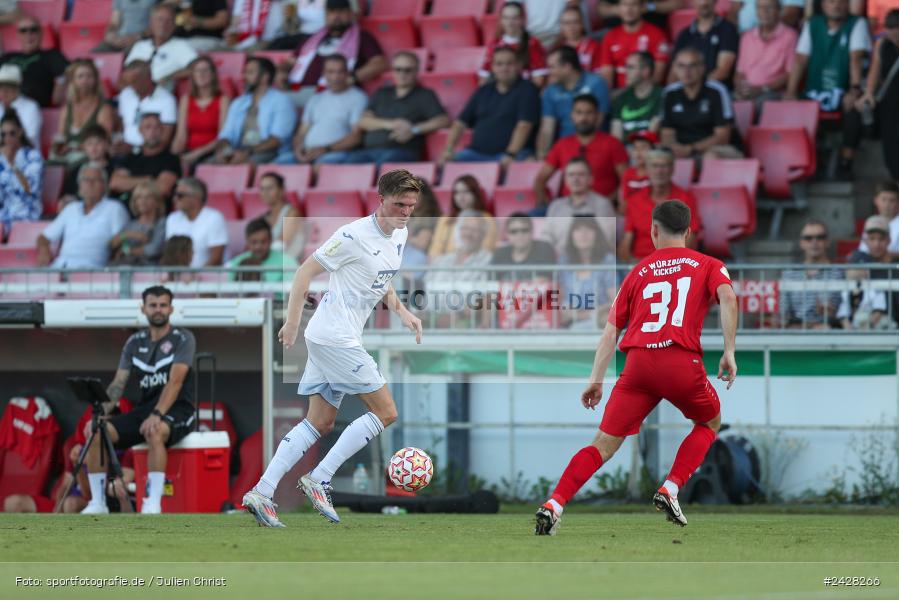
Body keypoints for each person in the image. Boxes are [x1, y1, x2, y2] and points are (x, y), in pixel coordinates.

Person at [535, 200, 738, 535]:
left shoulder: (637, 272)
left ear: (654, 230)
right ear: (688, 231)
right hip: (680, 361)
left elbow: (610, 332)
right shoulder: (708, 264)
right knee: (709, 422)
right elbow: (728, 298)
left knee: (603, 443)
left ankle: (554, 504)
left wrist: (596, 379)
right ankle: (671, 487)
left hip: (638, 365)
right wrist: (729, 350)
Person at [241, 170, 423, 527]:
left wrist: (403, 312)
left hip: (335, 337)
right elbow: (303, 273)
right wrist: (292, 323)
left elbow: (382, 280)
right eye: (399, 204)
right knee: (387, 412)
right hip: (334, 337)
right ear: (381, 200)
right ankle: (320, 478)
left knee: (320, 422)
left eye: (411, 206)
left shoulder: (399, 233)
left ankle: (262, 491)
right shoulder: (352, 235)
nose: (406, 212)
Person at [79, 286, 197, 515]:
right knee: (96, 432)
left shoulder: (183, 338)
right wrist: (99, 415)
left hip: (178, 409)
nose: (158, 309)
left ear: (171, 309)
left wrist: (157, 414)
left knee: (154, 431)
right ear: (143, 309)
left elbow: (175, 382)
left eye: (163, 305)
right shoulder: (134, 342)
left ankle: (152, 503)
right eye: (153, 305)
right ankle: (98, 503)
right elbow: (118, 384)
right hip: (145, 410)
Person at [785, 0, 870, 179]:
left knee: (854, 109)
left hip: (844, 89)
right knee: (795, 110)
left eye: (841, 2)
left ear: (847, 4)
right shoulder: (813, 24)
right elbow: (800, 60)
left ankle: (846, 164)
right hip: (814, 90)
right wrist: (790, 91)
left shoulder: (857, 23)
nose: (836, 6)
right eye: (831, 2)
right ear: (823, 5)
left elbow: (855, 58)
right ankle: (810, 162)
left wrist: (854, 90)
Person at [320, 51, 449, 165]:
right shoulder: (382, 93)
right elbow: (363, 121)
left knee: (383, 168)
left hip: (402, 151)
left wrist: (414, 129)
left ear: (416, 71)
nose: (402, 74)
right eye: (398, 69)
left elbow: (443, 120)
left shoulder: (425, 95)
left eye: (407, 70)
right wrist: (391, 124)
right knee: (349, 165)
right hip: (369, 151)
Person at [441, 47, 540, 165]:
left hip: (511, 154)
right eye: (499, 64)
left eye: (509, 63)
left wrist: (510, 154)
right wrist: (448, 150)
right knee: (446, 165)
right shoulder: (483, 90)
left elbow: (524, 125)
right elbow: (460, 123)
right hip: (475, 153)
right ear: (492, 67)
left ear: (519, 66)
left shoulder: (528, 89)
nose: (504, 68)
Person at [534, 94, 629, 211]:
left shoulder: (612, 143)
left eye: (589, 113)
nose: (583, 118)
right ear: (572, 115)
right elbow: (541, 179)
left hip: (601, 209)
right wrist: (543, 202)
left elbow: (626, 180)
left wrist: (609, 202)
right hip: (567, 209)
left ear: (597, 116)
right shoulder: (562, 145)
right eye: (579, 112)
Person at [284, 0, 388, 106]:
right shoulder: (313, 38)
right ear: (326, 15)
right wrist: (282, 72)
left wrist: (352, 78)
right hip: (299, 90)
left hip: (336, 95)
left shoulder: (362, 37)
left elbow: (380, 63)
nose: (336, 16)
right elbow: (290, 61)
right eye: (332, 12)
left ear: (350, 14)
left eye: (341, 11)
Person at [37, 163, 129, 268]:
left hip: (92, 269)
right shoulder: (71, 208)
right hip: (61, 266)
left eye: (95, 180)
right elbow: (43, 237)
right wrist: (44, 251)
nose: (90, 184)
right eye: (86, 180)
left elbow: (121, 240)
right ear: (79, 185)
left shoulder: (114, 208)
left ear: (104, 185)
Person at [660, 47, 742, 161]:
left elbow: (723, 137)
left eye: (692, 65)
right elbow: (667, 134)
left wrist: (692, 148)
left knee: (711, 157)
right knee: (655, 156)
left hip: (717, 149)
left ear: (702, 68)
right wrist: (675, 149)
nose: (686, 71)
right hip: (683, 151)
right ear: (674, 68)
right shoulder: (670, 93)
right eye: (681, 66)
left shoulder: (716, 91)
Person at [619, 148, 701, 261]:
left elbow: (690, 240)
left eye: (664, 166)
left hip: (673, 264)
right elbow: (627, 240)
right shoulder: (634, 200)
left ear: (672, 169)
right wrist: (633, 266)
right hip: (641, 263)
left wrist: (666, 265)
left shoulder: (685, 199)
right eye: (654, 166)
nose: (659, 171)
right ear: (647, 170)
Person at [215, 57, 296, 164]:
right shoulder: (239, 102)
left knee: (242, 165)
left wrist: (246, 153)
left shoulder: (281, 101)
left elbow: (277, 140)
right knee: (207, 165)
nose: (244, 77)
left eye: (250, 72)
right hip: (237, 150)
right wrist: (227, 152)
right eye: (244, 72)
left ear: (265, 77)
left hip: (268, 152)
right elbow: (226, 135)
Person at [536, 46, 611, 159]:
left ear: (567, 67)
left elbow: (597, 123)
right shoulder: (550, 91)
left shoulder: (596, 83)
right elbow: (547, 129)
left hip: (594, 149)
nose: (549, 72)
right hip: (564, 149)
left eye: (552, 67)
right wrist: (542, 156)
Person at [292, 54, 367, 164]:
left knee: (323, 165)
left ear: (347, 73)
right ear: (323, 74)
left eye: (340, 72)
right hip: (308, 152)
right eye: (331, 72)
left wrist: (326, 149)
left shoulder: (358, 98)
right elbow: (301, 133)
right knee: (281, 163)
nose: (335, 77)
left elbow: (356, 137)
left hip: (335, 153)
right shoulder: (316, 98)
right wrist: (298, 149)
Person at [541, 158, 618, 253]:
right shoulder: (556, 206)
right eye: (571, 175)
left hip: (592, 259)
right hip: (558, 259)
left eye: (581, 175)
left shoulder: (602, 205)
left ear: (591, 179)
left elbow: (606, 240)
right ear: (565, 180)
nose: (575, 179)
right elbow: (546, 238)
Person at [50, 60, 116, 170]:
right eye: (80, 76)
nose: (85, 80)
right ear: (73, 81)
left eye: (89, 76)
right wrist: (58, 146)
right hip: (67, 155)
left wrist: (73, 147)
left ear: (95, 80)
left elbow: (103, 141)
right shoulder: (66, 109)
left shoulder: (104, 108)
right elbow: (62, 137)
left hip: (90, 157)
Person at [780, 219, 845, 329]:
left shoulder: (839, 274)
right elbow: (783, 316)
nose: (814, 242)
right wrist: (812, 327)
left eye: (820, 237)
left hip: (829, 334)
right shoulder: (789, 274)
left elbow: (842, 316)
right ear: (801, 243)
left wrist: (831, 314)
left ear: (827, 242)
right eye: (808, 238)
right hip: (796, 334)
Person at [858, 9, 899, 181]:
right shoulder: (883, 44)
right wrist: (868, 93)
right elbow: (875, 71)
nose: (895, 37)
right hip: (890, 101)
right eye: (891, 31)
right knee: (891, 145)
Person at [171, 57, 232, 170]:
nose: (201, 74)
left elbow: (223, 137)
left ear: (213, 74)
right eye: (197, 71)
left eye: (205, 70)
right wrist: (173, 156)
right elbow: (180, 136)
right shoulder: (185, 100)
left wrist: (197, 153)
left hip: (212, 152)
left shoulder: (223, 100)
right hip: (190, 152)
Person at [559, 215, 619, 329]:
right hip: (568, 323)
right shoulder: (564, 261)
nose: (583, 234)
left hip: (599, 322)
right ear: (571, 235)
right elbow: (559, 298)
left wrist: (585, 315)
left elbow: (615, 301)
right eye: (578, 230)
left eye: (588, 229)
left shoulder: (607, 260)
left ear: (597, 234)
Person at [733, 0, 798, 104]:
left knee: (759, 104)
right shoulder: (747, 37)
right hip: (748, 92)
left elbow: (790, 73)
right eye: (760, 8)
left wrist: (763, 89)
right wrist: (741, 88)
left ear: (779, 11)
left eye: (769, 8)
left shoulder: (790, 36)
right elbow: (740, 72)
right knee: (725, 102)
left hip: (772, 92)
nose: (764, 11)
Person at [838, 215, 896, 330]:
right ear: (865, 241)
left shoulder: (895, 266)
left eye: (881, 239)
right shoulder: (858, 260)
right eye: (872, 239)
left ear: (889, 240)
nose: (877, 244)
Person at [109, 113, 182, 203]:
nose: (152, 131)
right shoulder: (131, 158)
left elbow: (163, 189)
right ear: (140, 130)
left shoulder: (171, 159)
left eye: (156, 127)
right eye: (148, 127)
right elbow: (114, 183)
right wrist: (149, 180)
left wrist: (130, 183)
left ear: (162, 131)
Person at [598, 0, 670, 90]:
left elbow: (657, 76)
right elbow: (607, 74)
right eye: (624, 4)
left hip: (646, 92)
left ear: (642, 7)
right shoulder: (610, 36)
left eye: (634, 4)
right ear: (619, 8)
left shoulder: (657, 34)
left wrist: (637, 94)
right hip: (619, 93)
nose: (628, 9)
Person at [0, 15, 68, 107]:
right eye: (23, 31)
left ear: (41, 33)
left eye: (33, 30)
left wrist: (60, 87)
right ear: (18, 35)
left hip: (34, 107)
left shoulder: (52, 56)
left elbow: (67, 73)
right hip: (4, 106)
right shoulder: (7, 57)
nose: (29, 34)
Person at [125, 4, 199, 86]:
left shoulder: (181, 46)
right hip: (133, 89)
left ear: (174, 25)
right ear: (151, 23)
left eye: (168, 21)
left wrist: (169, 77)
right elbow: (126, 72)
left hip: (161, 90)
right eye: (160, 19)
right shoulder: (140, 46)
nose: (163, 24)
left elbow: (198, 67)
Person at [480, 1, 548, 86]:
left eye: (514, 18)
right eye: (506, 18)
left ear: (522, 20)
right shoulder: (494, 44)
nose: (510, 22)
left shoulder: (532, 43)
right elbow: (484, 78)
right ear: (501, 20)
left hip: (525, 91)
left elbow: (539, 78)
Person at [428, 175, 497, 258]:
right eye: (457, 192)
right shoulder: (445, 219)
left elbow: (486, 250)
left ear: (475, 194)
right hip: (445, 263)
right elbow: (434, 251)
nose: (461, 196)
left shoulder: (487, 220)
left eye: (466, 192)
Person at [671, 0, 739, 85]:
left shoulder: (727, 29)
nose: (704, 3)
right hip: (688, 88)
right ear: (692, 2)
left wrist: (697, 88)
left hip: (715, 88)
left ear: (715, 1)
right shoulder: (684, 34)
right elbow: (674, 72)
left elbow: (723, 71)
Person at [165, 177, 228, 267]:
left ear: (196, 197)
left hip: (207, 274)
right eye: (174, 195)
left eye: (180, 195)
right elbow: (171, 255)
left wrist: (196, 274)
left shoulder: (214, 218)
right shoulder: (172, 218)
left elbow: (216, 259)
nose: (174, 199)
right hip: (180, 273)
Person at [117, 61, 178, 151]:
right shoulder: (125, 94)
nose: (132, 86)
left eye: (135, 81)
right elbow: (122, 126)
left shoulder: (167, 100)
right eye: (129, 82)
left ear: (148, 77)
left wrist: (135, 149)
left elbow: (165, 139)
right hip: (125, 152)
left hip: (152, 154)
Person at [0, 110, 42, 230]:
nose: (7, 138)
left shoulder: (33, 156)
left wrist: (12, 164)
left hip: (26, 214)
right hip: (4, 214)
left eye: (12, 133)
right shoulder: (1, 159)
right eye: (3, 134)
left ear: (20, 132)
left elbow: (29, 189)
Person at [109, 182, 168, 266]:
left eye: (148, 197)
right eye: (139, 197)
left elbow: (154, 249)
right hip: (125, 267)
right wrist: (130, 234)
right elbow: (112, 244)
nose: (143, 201)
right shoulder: (130, 224)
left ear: (157, 202)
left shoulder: (162, 223)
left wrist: (128, 251)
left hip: (149, 269)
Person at [610, 52, 663, 140]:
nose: (626, 71)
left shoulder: (662, 96)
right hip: (625, 148)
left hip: (650, 147)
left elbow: (653, 133)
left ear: (646, 71)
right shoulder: (621, 98)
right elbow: (616, 137)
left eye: (631, 67)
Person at [490, 213, 557, 281]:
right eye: (513, 231)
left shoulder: (543, 248)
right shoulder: (500, 253)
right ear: (507, 234)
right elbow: (491, 282)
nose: (519, 235)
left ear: (532, 231)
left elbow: (542, 280)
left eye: (524, 230)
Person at [227, 217, 297, 281]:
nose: (258, 246)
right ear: (247, 241)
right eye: (254, 242)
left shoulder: (287, 263)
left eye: (263, 241)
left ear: (271, 240)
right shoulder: (238, 262)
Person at [254, 171, 304, 257]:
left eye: (269, 188)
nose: (265, 193)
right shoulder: (262, 218)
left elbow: (282, 244)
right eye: (262, 189)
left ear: (281, 190)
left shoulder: (292, 213)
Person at [60, 126, 113, 204]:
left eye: (98, 143)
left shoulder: (114, 169)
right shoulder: (77, 170)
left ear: (106, 145)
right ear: (84, 146)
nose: (94, 148)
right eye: (89, 144)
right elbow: (68, 194)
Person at [552, 5, 602, 73]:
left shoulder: (595, 46)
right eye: (567, 23)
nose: (571, 27)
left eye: (575, 22)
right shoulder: (556, 48)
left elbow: (599, 75)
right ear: (561, 26)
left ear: (582, 24)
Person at [0, 64, 40, 147]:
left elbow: (28, 139)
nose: (4, 91)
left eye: (8, 86)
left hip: (25, 154)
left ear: (18, 88)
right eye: (1, 86)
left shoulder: (31, 107)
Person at [226, 0, 292, 50]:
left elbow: (290, 16)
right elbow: (235, 21)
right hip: (246, 40)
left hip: (274, 40)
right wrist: (231, 33)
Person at [859, 182, 899, 258]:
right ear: (876, 200)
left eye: (892, 200)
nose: (887, 204)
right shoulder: (871, 222)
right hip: (872, 263)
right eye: (884, 199)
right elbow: (863, 250)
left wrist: (887, 256)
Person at [619, 130, 657, 201]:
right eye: (635, 148)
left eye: (643, 147)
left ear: (654, 151)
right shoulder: (628, 173)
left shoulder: (658, 173)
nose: (638, 152)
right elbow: (624, 201)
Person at [729, 0, 803, 33]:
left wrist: (761, 34)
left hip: (776, 38)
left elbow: (791, 16)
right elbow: (733, 12)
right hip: (742, 37)